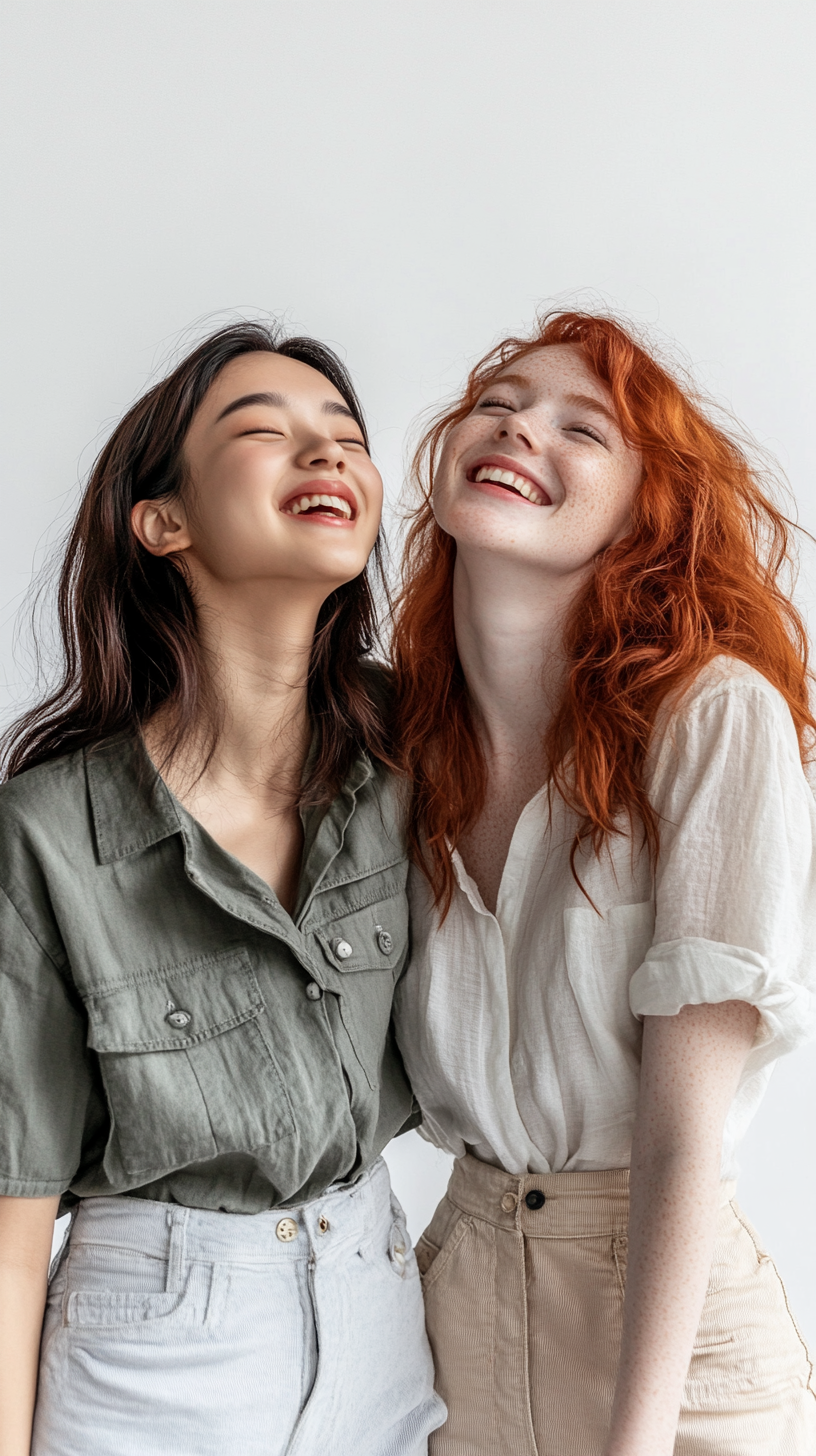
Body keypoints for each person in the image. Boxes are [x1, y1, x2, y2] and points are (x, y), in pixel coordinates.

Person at [0, 322, 444, 1456]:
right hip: (156, 1352)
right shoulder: (49, 835)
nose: (329, 456)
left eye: (347, 439)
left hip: (379, 1317)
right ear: (164, 522)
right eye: (268, 432)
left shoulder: (411, 749)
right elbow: (12, 1223)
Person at [391, 311, 816, 1456]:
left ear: (646, 516)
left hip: (671, 1337)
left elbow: (682, 1137)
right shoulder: (401, 750)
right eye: (501, 402)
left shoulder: (713, 718)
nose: (520, 427)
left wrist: (636, 1439)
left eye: (582, 427)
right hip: (461, 1312)